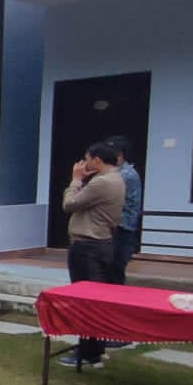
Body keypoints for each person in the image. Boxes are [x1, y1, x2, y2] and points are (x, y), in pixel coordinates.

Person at [59, 141, 125, 368]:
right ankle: (95, 348)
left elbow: (70, 204)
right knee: (94, 299)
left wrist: (76, 180)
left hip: (88, 246)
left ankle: (88, 352)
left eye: (87, 158)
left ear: (97, 160)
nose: (84, 163)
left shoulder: (103, 182)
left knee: (85, 300)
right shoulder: (114, 179)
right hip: (100, 244)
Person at [105, 135, 142, 286]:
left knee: (115, 269)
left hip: (121, 228)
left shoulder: (125, 175)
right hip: (118, 226)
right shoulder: (117, 173)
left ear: (119, 155)